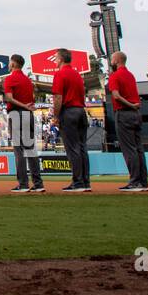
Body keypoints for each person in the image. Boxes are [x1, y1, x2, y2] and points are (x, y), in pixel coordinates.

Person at [106, 51, 147, 191]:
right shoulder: (130, 75)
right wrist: (134, 106)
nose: (111, 61)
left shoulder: (115, 76)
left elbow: (116, 96)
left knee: (129, 149)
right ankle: (143, 181)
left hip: (124, 113)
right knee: (138, 149)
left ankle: (135, 181)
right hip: (136, 114)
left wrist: (130, 105)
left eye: (112, 59)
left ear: (117, 60)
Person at [2, 54, 43, 193]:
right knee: (31, 149)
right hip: (28, 115)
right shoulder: (27, 80)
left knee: (19, 150)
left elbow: (9, 98)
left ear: (13, 64)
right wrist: (27, 107)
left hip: (16, 113)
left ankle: (23, 184)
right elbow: (30, 99)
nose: (8, 65)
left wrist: (24, 106)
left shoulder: (10, 78)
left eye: (9, 63)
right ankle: (38, 183)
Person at [50, 48, 89, 193]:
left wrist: (55, 116)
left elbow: (58, 97)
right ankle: (85, 181)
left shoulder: (60, 74)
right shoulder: (77, 74)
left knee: (73, 149)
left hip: (69, 112)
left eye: (55, 58)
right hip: (81, 111)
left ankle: (77, 182)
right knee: (82, 148)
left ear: (60, 59)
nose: (54, 60)